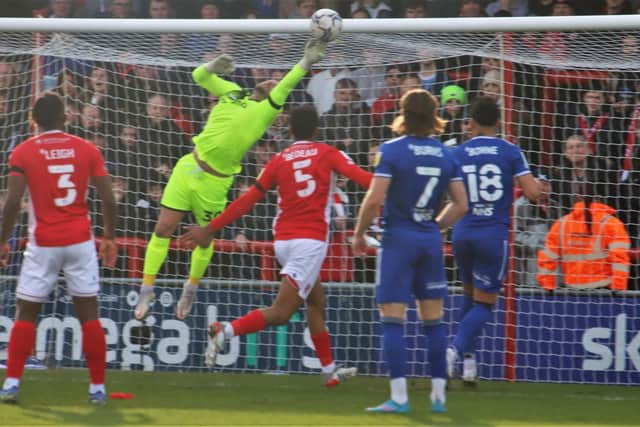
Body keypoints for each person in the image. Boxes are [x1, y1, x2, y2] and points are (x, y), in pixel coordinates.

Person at [135, 39, 328, 321]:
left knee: (204, 237)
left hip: (216, 180)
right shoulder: (233, 91)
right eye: (269, 79)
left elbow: (286, 85)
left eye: (276, 82)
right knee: (163, 228)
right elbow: (199, 77)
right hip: (189, 165)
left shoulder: (267, 112)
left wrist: (304, 64)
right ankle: (146, 288)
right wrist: (212, 66)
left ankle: (190, 287)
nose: (273, 83)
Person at [180, 104, 372, 386]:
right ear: (318, 130)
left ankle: (328, 370)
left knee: (317, 301)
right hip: (310, 241)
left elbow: (247, 201)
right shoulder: (330, 154)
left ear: (290, 131)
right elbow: (365, 181)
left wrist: (210, 228)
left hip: (282, 242)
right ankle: (225, 330)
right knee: (282, 313)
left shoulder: (279, 159)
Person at [352, 89, 468, 414]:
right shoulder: (448, 155)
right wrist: (436, 227)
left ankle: (400, 398)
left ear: (403, 113)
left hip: (398, 240)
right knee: (433, 320)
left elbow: (374, 200)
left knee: (392, 319)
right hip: (429, 240)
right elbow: (462, 204)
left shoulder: (392, 150)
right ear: (434, 116)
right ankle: (439, 398)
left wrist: (359, 234)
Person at [0, 92, 117, 404]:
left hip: (44, 243)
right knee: (89, 314)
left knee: (26, 311)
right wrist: (109, 238)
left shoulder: (23, 152)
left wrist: (2, 241)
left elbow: (12, 202)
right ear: (66, 117)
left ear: (33, 120)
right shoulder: (87, 149)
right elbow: (108, 198)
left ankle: (11, 384)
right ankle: (97, 389)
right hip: (80, 240)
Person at [447, 96, 541, 385]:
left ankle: (469, 365)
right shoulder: (510, 151)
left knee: (469, 295)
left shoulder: (458, 152)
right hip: (492, 235)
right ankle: (453, 352)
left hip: (462, 232)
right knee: (485, 303)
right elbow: (533, 193)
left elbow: (450, 195)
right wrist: (535, 184)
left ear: (471, 123)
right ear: (499, 122)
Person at [537, 184, 631, 292]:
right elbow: (620, 259)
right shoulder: (612, 224)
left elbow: (547, 258)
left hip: (572, 292)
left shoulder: (562, 224)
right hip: (603, 292)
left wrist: (548, 286)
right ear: (601, 198)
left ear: (577, 197)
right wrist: (618, 288)